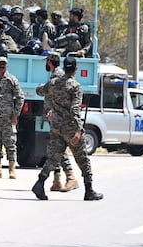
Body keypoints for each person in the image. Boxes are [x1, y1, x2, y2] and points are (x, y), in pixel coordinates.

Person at [32, 57, 103, 201]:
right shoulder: (75, 86)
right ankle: (89, 190)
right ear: (75, 69)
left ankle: (40, 183)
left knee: (53, 157)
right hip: (70, 128)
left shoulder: (54, 83)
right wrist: (79, 130)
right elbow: (75, 109)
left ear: (64, 68)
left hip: (56, 127)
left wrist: (39, 87)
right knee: (82, 159)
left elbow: (40, 91)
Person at [36, 51, 79, 192]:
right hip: (55, 117)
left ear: (49, 62)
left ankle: (70, 177)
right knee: (56, 147)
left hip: (58, 118)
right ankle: (57, 180)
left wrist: (52, 110)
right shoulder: (56, 74)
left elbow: (56, 96)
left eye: (46, 61)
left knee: (58, 148)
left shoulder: (57, 76)